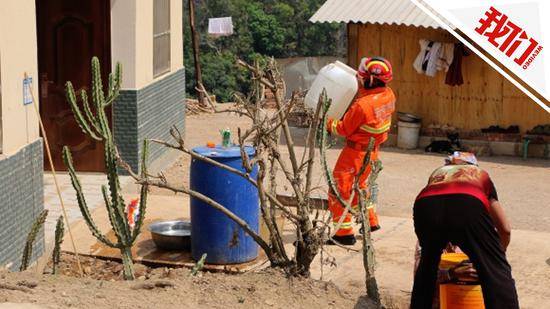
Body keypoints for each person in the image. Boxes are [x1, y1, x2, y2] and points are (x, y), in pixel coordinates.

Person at [411, 152, 519, 309]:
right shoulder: (479, 175)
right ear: (473, 165)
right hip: (468, 204)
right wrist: (496, 258)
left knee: (427, 267)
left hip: (425, 204)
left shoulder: (438, 174)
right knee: (496, 273)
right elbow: (505, 229)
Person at [326, 57, 396, 245]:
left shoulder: (362, 106)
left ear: (369, 80)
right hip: (372, 152)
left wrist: (327, 122)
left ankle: (344, 234)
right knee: (361, 186)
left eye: (361, 77)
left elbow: (343, 129)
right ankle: (370, 221)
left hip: (355, 154)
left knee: (339, 189)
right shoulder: (389, 94)